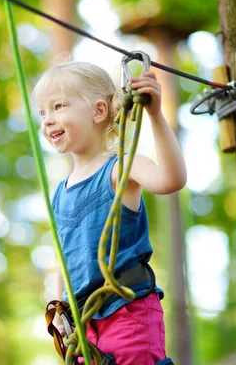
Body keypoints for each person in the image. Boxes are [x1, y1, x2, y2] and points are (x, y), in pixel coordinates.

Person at [34, 61, 187, 365]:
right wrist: (60, 307)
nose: (48, 120)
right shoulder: (59, 194)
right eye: (42, 113)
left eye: (58, 106)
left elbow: (171, 180)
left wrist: (155, 115)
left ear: (99, 111)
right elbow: (63, 258)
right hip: (83, 324)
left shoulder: (118, 169)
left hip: (126, 310)